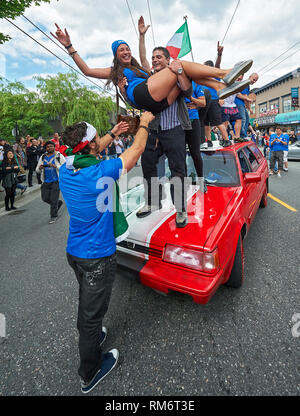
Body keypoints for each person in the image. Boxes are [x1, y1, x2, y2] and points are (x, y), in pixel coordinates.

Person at [58, 113, 153, 394]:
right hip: (96, 257)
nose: (100, 142)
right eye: (97, 139)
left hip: (75, 253)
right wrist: (144, 123)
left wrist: (112, 133)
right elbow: (135, 152)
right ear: (89, 147)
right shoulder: (100, 173)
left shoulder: (67, 167)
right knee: (89, 316)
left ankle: (94, 333)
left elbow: (90, 148)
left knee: (88, 306)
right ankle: (90, 372)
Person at [51, 23, 253, 112]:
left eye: (127, 48)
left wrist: (141, 36)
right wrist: (69, 46)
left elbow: (142, 56)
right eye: (121, 50)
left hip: (155, 98)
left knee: (184, 72)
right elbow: (86, 70)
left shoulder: (142, 69)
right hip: (141, 94)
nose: (126, 52)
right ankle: (225, 74)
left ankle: (219, 87)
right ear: (116, 55)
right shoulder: (115, 72)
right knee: (178, 65)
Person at [133, 17, 193, 226]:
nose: (155, 59)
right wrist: (142, 36)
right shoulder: (151, 78)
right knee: (148, 166)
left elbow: (187, 90)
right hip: (154, 131)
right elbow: (142, 60)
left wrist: (178, 72)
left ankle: (180, 210)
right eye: (154, 57)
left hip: (175, 130)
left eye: (159, 57)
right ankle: (152, 202)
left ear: (168, 60)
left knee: (178, 170)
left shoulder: (176, 74)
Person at [36, 141, 66, 224]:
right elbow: (37, 170)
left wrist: (56, 166)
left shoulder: (59, 156)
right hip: (45, 181)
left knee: (53, 199)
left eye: (51, 146)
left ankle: (53, 216)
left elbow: (65, 167)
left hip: (56, 181)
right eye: (48, 146)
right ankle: (58, 203)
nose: (50, 148)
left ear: (54, 147)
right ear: (46, 148)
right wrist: (40, 167)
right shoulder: (43, 157)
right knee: (45, 198)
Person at [235, 73, 259, 138]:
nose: (254, 81)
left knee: (247, 119)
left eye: (255, 81)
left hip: (241, 104)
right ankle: (240, 135)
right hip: (238, 103)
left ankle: (243, 134)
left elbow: (246, 98)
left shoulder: (247, 85)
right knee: (242, 119)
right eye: (253, 79)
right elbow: (245, 98)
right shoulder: (245, 84)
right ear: (250, 77)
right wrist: (250, 108)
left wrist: (249, 103)